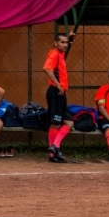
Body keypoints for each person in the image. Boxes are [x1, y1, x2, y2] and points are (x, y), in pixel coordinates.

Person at [43, 32, 75, 163]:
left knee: (69, 122)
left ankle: (54, 147)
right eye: (62, 42)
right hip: (55, 92)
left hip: (61, 93)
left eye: (67, 42)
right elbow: (46, 69)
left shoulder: (61, 53)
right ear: (55, 43)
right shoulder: (55, 53)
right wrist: (57, 84)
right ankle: (53, 153)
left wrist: (70, 35)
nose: (65, 44)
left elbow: (66, 41)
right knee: (55, 124)